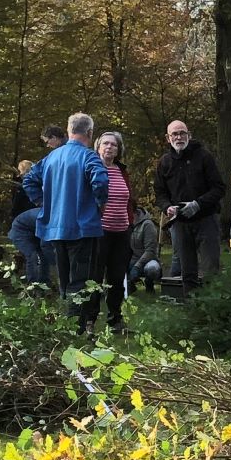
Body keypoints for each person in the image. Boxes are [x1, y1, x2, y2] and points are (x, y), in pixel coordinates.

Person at [22, 112, 110, 334]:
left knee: (64, 280)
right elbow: (100, 182)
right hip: (82, 228)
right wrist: (100, 205)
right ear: (90, 133)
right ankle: (74, 330)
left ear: (69, 130)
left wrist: (43, 202)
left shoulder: (51, 158)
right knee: (80, 281)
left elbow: (29, 180)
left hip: (54, 228)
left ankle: (65, 325)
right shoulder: (89, 157)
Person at [153, 120, 226, 289]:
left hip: (206, 219)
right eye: (175, 134)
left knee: (211, 268)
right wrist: (167, 207)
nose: (179, 137)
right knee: (188, 271)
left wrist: (199, 204)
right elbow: (160, 193)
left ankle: (215, 308)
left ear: (189, 135)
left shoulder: (204, 156)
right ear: (168, 138)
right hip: (180, 222)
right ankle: (191, 309)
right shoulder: (164, 162)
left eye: (182, 133)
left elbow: (219, 188)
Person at [95, 130, 136, 328]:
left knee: (118, 277)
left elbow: (128, 200)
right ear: (98, 147)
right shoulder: (92, 168)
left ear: (118, 149)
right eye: (105, 144)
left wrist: (130, 222)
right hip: (100, 231)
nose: (109, 147)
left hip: (122, 231)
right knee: (95, 277)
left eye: (113, 144)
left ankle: (115, 318)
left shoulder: (122, 170)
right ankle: (89, 320)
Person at [6, 158, 44, 285]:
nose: (20, 175)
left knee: (41, 255)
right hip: (25, 224)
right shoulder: (29, 187)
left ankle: (43, 283)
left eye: (21, 172)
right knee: (32, 255)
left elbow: (16, 206)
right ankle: (32, 284)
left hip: (35, 221)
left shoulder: (28, 186)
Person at [128, 209, 165, 292]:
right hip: (131, 259)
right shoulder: (126, 223)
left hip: (148, 260)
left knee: (152, 269)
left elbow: (150, 251)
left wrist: (137, 266)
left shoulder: (147, 224)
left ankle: (149, 282)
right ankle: (130, 285)